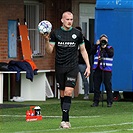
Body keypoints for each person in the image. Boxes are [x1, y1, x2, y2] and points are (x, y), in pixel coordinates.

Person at [43, 11, 90, 128]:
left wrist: (88, 65)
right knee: (63, 94)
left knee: (69, 92)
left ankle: (65, 121)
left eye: (71, 19)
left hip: (72, 67)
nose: (69, 21)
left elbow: (83, 50)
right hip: (60, 67)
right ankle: (64, 119)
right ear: (62, 20)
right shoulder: (56, 33)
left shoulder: (77, 34)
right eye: (67, 19)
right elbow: (49, 51)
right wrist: (46, 40)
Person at [91, 34, 114, 107]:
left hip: (106, 70)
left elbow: (111, 54)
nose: (103, 42)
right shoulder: (97, 48)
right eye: (102, 40)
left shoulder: (110, 48)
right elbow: (91, 52)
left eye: (104, 40)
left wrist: (105, 47)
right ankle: (96, 101)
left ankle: (109, 101)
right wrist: (96, 45)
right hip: (97, 69)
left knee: (108, 86)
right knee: (96, 86)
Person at [75, 26, 91, 100]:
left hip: (82, 63)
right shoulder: (72, 42)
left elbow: (89, 52)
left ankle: (86, 94)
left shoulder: (86, 42)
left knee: (84, 79)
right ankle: (70, 94)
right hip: (73, 63)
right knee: (70, 79)